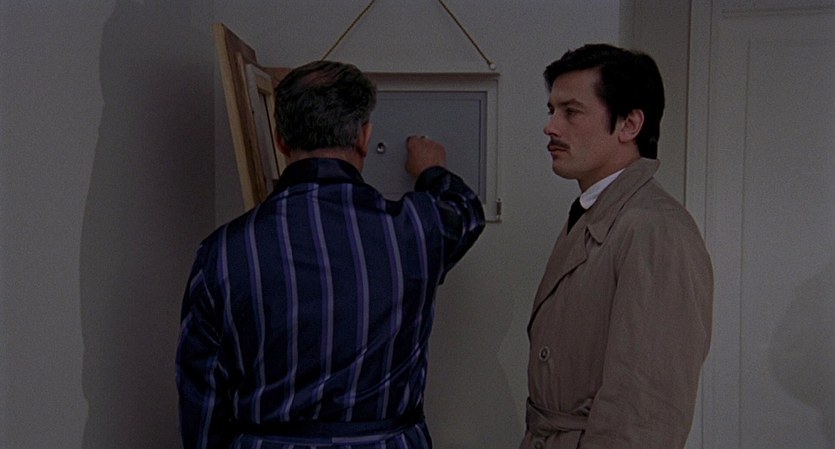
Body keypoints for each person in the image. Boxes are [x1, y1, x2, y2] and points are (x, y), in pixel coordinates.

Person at [176, 60, 485, 449]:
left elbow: (202, 397)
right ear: (364, 137)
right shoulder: (415, 232)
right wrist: (431, 170)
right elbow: (466, 209)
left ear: (281, 141)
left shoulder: (223, 252)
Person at [519, 44, 713, 449]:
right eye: (552, 111)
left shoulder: (655, 229)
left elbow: (646, 414)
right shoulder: (598, 211)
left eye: (571, 112)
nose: (551, 127)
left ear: (629, 124)